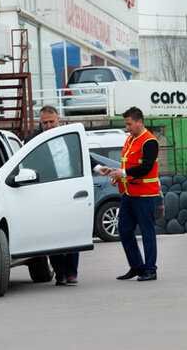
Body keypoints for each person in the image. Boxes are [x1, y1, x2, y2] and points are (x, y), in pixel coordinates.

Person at [25, 105, 109, 286]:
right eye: (45, 123)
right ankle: (60, 273)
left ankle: (71, 273)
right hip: (47, 194)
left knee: (73, 232)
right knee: (52, 235)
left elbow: (83, 155)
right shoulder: (32, 141)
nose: (48, 126)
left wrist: (97, 168)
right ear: (40, 122)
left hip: (71, 191)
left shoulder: (70, 137)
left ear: (58, 119)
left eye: (51, 122)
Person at [101, 107, 160, 282]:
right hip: (129, 193)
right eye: (126, 124)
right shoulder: (130, 139)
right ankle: (136, 266)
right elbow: (128, 164)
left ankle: (150, 269)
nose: (127, 128)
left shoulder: (149, 141)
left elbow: (146, 167)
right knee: (124, 230)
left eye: (129, 124)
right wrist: (118, 175)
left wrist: (124, 173)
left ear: (139, 122)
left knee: (147, 233)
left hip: (145, 194)